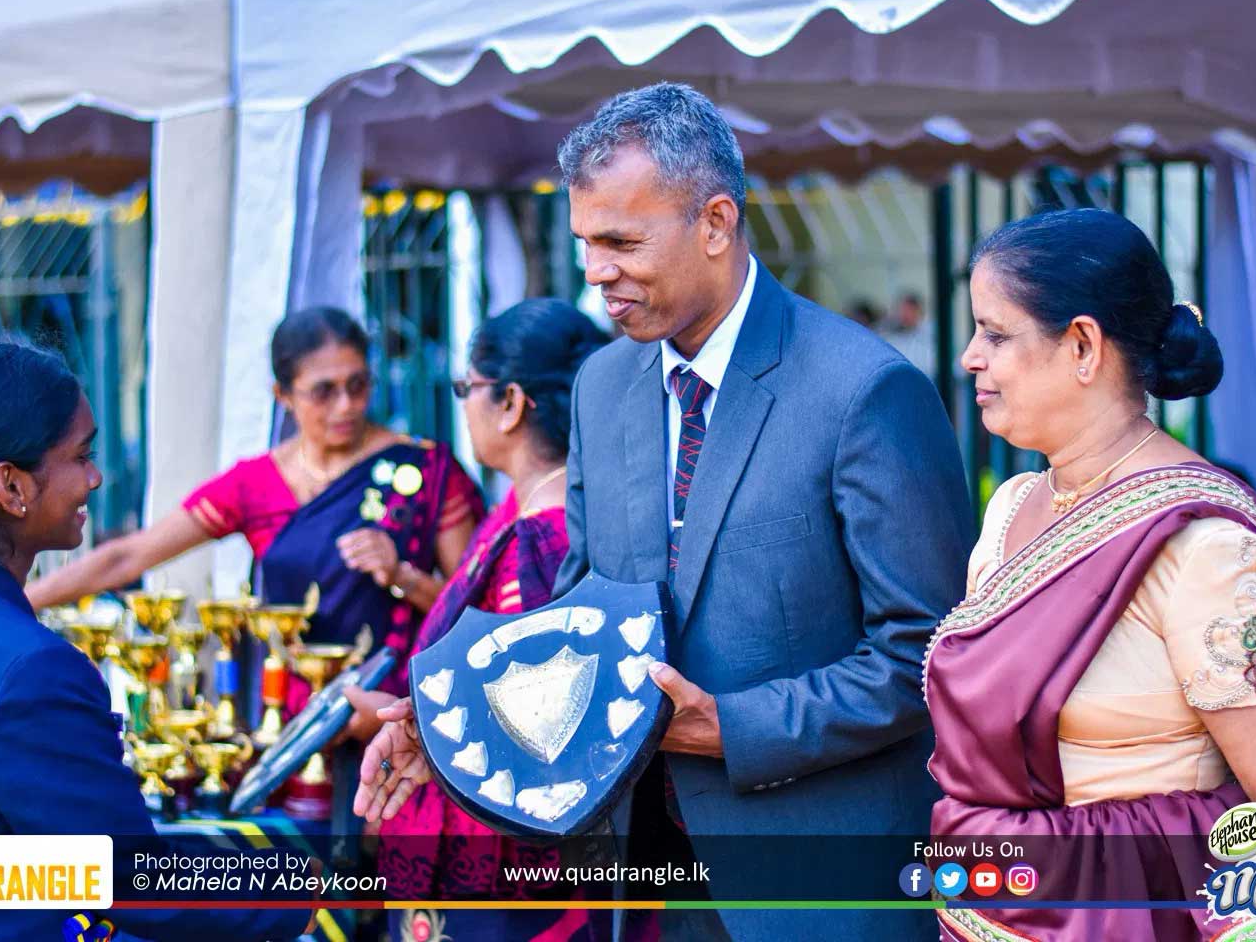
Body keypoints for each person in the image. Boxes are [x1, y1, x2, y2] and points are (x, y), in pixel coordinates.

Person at [357, 83, 974, 940]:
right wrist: (453, 735)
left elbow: (930, 656)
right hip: (641, 883)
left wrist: (732, 728)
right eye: (585, 242)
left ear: (716, 223)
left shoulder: (863, 390)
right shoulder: (602, 387)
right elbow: (574, 626)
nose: (594, 271)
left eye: (621, 241)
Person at [928, 208, 1256, 941]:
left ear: (1083, 345)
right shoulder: (1010, 511)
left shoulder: (1205, 550)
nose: (971, 356)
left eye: (996, 334)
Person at [0, 340, 314, 941]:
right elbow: (127, 878)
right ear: (11, 487)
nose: (95, 478)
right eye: (81, 456)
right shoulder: (28, 668)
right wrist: (294, 884)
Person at [28, 306, 482, 707]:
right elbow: (128, 557)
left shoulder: (426, 470)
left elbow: (476, 615)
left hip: (402, 710)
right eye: (323, 392)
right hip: (293, 716)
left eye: (358, 385)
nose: (345, 406)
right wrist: (18, 601)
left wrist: (402, 575)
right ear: (282, 395)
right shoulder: (255, 484)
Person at [343, 298, 608, 942]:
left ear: (510, 403)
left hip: (506, 861)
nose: (462, 405)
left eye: (467, 388)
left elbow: (538, 723)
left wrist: (407, 720)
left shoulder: (541, 539)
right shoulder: (529, 510)